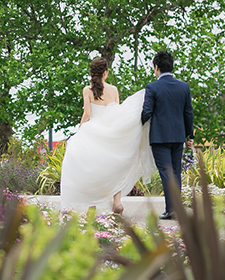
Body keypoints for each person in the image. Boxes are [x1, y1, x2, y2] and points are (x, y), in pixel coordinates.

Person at [59, 57, 156, 214]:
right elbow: (117, 113)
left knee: (90, 167)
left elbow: (87, 114)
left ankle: (91, 204)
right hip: (111, 132)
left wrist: (80, 130)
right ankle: (117, 202)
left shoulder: (87, 90)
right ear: (106, 72)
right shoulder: (114, 90)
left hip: (93, 132)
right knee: (113, 168)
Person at [140, 50, 194, 220]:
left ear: (156, 67)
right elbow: (188, 113)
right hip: (178, 136)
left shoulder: (152, 87)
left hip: (160, 137)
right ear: (172, 66)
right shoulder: (183, 87)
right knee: (176, 171)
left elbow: (147, 112)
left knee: (165, 171)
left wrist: (139, 125)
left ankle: (171, 209)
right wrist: (189, 136)